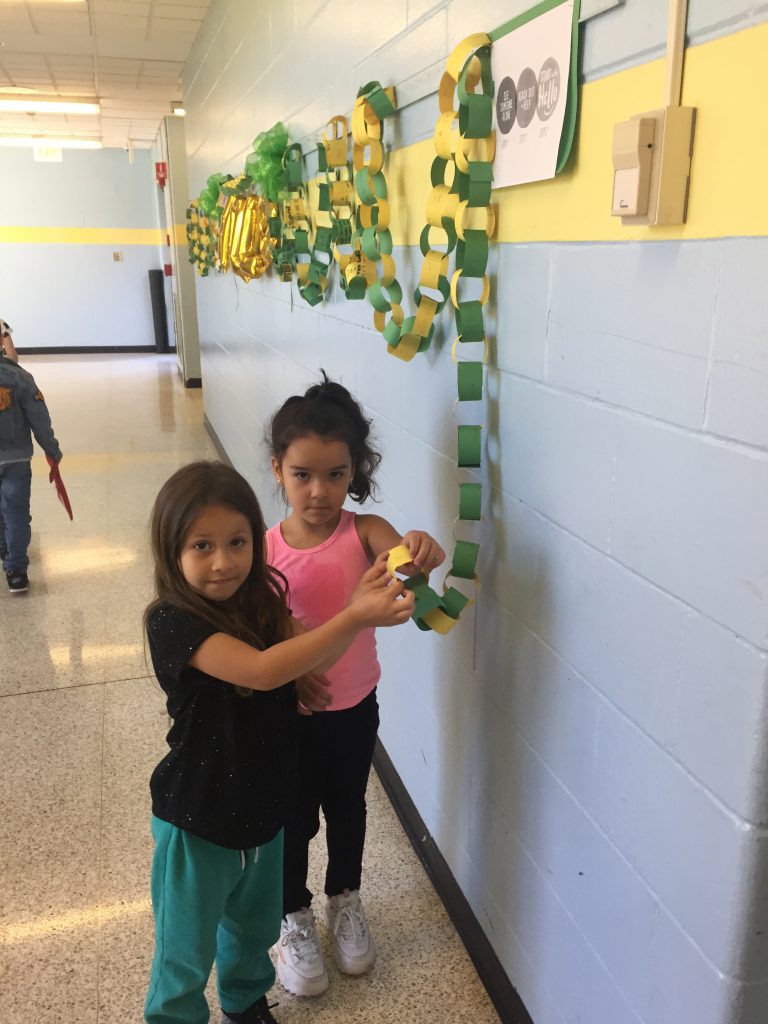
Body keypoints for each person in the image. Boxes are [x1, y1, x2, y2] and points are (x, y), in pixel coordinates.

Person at [143, 460, 414, 1024]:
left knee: (253, 927)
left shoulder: (262, 596)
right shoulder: (171, 619)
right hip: (198, 818)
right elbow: (262, 671)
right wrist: (354, 617)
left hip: (264, 808)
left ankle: (245, 1002)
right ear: (171, 551)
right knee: (184, 951)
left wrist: (356, 611)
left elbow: (315, 653)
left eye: (238, 541)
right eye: (202, 546)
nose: (223, 561)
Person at [266, 373, 446, 997]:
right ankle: (292, 917)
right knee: (291, 818)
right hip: (287, 712)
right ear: (278, 470)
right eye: (303, 475)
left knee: (347, 809)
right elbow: (256, 629)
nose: (320, 492)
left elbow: (409, 572)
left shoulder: (364, 534)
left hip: (352, 709)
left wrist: (420, 551)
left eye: (336, 475)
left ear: (354, 473)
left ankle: (346, 900)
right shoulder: (261, 551)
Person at [0, 348, 62, 593]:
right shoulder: (21, 377)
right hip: (17, 458)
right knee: (16, 512)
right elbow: (39, 418)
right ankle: (16, 570)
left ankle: (4, 547)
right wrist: (52, 449)